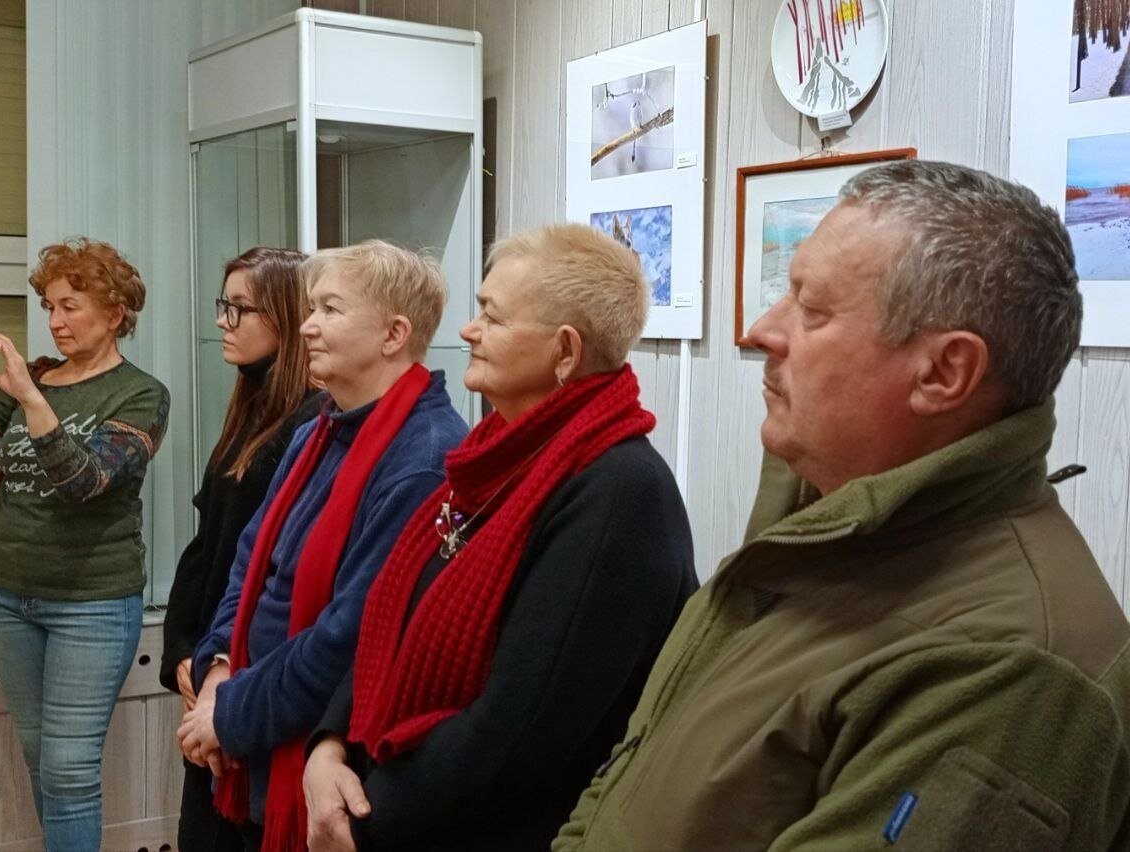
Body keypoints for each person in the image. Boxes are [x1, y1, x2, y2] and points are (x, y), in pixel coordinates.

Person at [554, 161, 1130, 851]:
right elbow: (630, 774)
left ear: (944, 372)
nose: (763, 330)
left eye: (813, 310)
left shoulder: (1009, 669)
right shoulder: (813, 531)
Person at [302, 223, 698, 852]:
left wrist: (366, 820)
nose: (469, 330)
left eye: (492, 315)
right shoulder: (491, 459)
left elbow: (515, 732)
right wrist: (329, 747)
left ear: (564, 352)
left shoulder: (619, 492)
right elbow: (393, 620)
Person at [177, 239, 468, 852]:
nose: (307, 326)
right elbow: (248, 565)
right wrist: (219, 669)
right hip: (250, 739)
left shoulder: (424, 457)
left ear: (393, 334)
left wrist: (228, 713)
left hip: (311, 756)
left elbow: (348, 637)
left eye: (330, 309)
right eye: (311, 308)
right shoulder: (316, 430)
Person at [0, 238, 170, 852]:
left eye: (71, 306)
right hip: (4, 595)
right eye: (50, 307)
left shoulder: (141, 394)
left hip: (92, 604)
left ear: (115, 314)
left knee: (71, 770)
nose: (55, 321)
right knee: (40, 758)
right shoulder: (36, 377)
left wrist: (31, 398)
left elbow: (85, 481)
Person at [161, 247, 325, 852]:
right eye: (222, 306)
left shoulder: (311, 421)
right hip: (213, 657)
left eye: (239, 309)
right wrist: (184, 648)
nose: (222, 322)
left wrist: (223, 663)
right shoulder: (250, 407)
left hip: (249, 672)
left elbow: (277, 570)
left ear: (285, 316)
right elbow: (207, 546)